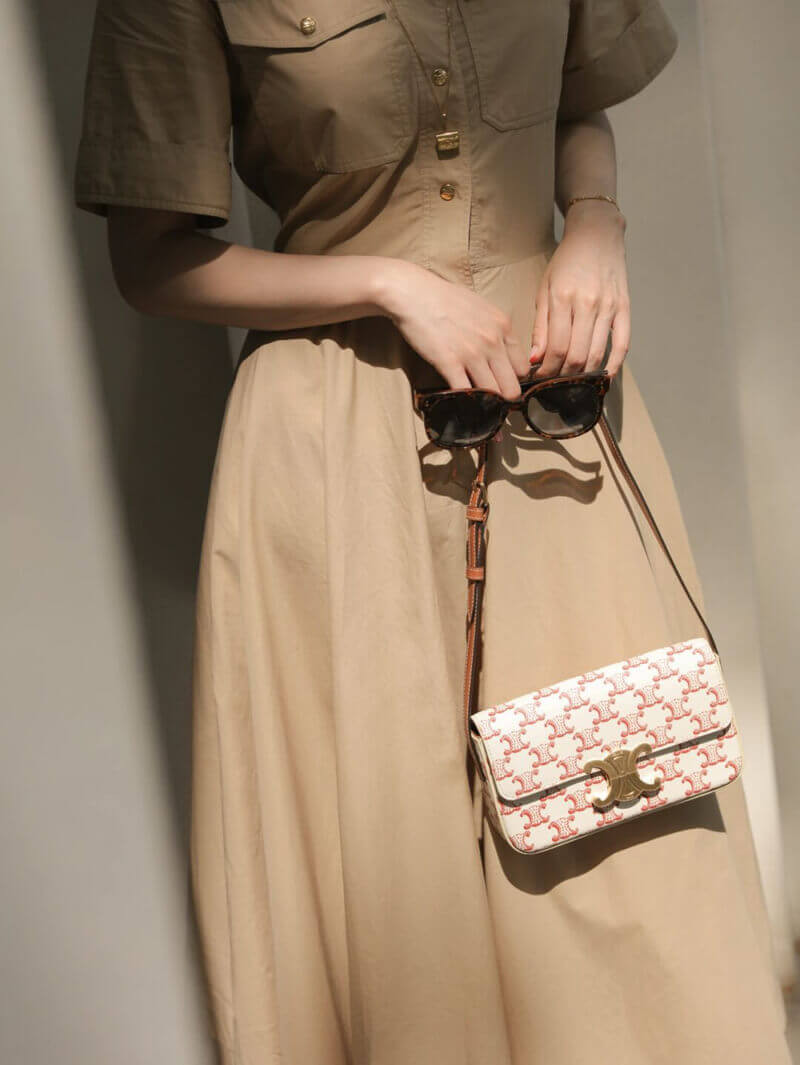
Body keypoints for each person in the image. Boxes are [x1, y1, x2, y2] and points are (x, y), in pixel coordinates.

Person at [73, 1, 793, 1062]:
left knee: (619, 810)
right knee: (396, 867)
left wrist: (595, 224)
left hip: (554, 416)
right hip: (338, 442)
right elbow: (151, 262)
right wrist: (386, 284)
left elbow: (580, 99)